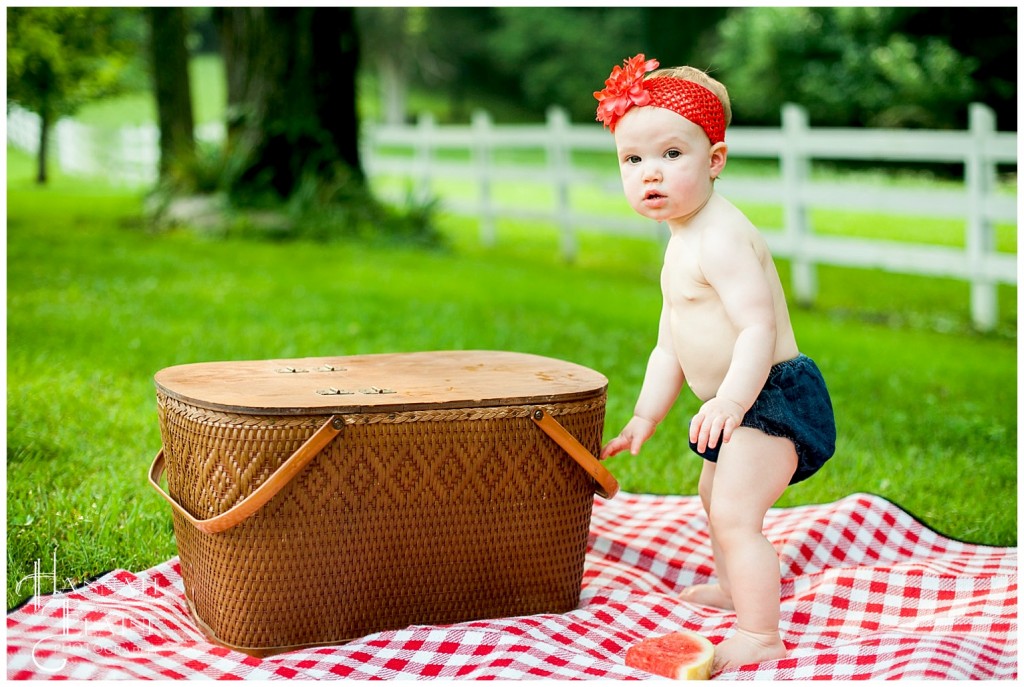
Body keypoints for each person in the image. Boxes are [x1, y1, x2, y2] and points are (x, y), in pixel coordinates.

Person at [595, 54, 837, 674]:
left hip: (771, 396)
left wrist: (730, 401)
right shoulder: (682, 238)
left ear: (715, 160)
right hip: (733, 403)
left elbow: (757, 326)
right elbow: (669, 343)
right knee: (712, 497)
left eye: (672, 155)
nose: (651, 173)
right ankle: (735, 589)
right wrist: (645, 416)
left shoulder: (723, 236)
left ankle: (760, 634)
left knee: (735, 511)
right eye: (633, 159)